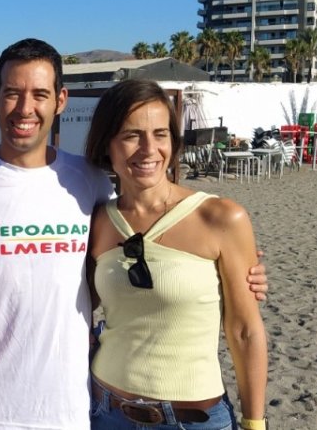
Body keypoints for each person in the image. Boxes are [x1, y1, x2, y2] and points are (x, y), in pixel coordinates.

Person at [0, 38, 266, 430]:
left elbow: (236, 321)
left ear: (60, 101)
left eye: (40, 94)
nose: (25, 108)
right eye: (12, 93)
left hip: (73, 406)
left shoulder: (88, 183)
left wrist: (245, 274)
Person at [85, 79, 267, 429]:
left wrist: (254, 422)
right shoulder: (99, 222)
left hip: (193, 419)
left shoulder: (220, 218)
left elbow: (245, 331)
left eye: (160, 134)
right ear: (106, 144)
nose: (148, 149)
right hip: (105, 411)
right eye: (131, 135)